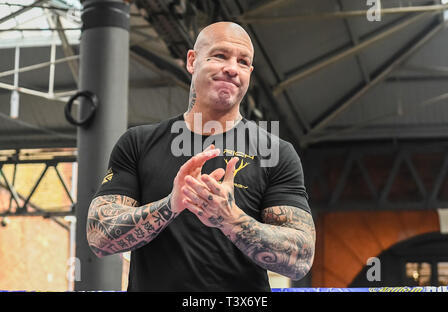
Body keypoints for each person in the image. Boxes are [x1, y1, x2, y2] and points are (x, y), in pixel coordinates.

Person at [87, 21, 315, 292]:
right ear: (192, 61)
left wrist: (230, 219)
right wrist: (172, 204)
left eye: (243, 62)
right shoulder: (138, 143)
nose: (232, 68)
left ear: (249, 73)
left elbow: (301, 259)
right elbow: (98, 237)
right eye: (220, 55)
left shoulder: (276, 152)